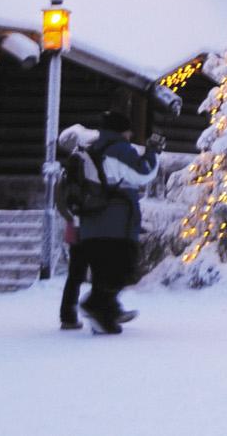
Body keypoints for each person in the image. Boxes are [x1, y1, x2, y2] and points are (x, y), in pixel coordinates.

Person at [77, 110, 162, 335]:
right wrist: (153, 152)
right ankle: (96, 306)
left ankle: (108, 313)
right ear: (121, 130)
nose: (131, 133)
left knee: (103, 271)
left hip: (92, 223)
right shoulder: (119, 149)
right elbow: (143, 174)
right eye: (128, 129)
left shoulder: (94, 148)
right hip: (115, 224)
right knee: (122, 269)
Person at [53, 124, 99, 330]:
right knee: (99, 270)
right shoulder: (86, 165)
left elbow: (61, 201)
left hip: (76, 226)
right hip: (90, 225)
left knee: (76, 274)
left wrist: (71, 218)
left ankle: (68, 314)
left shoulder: (68, 170)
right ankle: (100, 310)